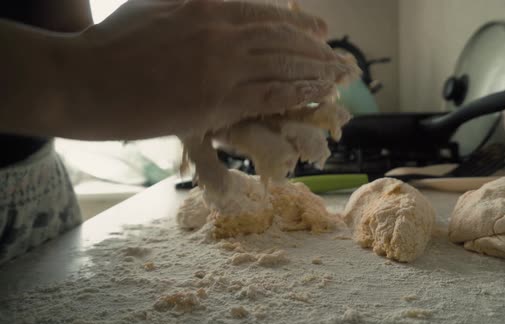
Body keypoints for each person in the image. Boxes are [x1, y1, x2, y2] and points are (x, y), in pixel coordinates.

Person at [0, 0, 350, 265]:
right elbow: (78, 66)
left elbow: (60, 30)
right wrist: (85, 74)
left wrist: (208, 99)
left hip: (41, 202)